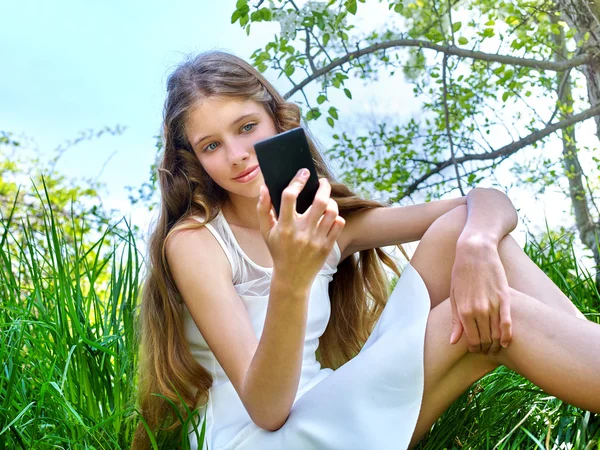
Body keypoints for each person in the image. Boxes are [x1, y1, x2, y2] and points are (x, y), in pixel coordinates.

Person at [131, 50, 600, 450]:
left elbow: (486, 202)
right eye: (211, 145)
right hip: (264, 437)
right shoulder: (196, 242)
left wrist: (477, 246)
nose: (236, 154)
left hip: (328, 403)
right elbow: (266, 409)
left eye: (247, 126)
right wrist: (292, 279)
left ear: (277, 119)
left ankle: (582, 351)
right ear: (193, 159)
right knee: (492, 317)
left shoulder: (326, 222)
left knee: (462, 229)